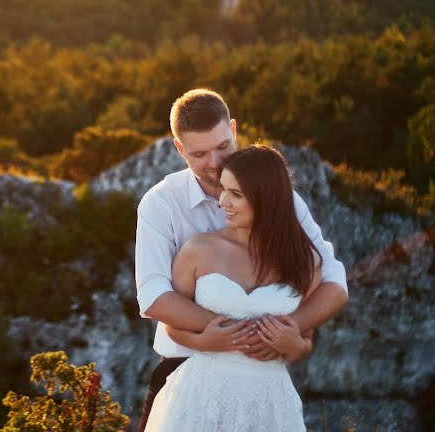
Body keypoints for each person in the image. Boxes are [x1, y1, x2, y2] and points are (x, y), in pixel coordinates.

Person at [135, 89, 348, 432]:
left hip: (263, 392)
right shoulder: (160, 204)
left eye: (222, 147)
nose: (215, 162)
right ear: (179, 150)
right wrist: (220, 336)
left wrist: (291, 334)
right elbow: (155, 296)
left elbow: (334, 282)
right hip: (184, 371)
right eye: (199, 154)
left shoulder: (281, 200)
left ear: (233, 130)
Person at [143, 144, 320, 431]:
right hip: (199, 396)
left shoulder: (306, 261)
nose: (223, 201)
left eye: (235, 194)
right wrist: (204, 342)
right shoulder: (199, 249)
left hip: (268, 404)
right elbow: (171, 325)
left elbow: (306, 340)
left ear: (267, 198)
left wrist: (294, 346)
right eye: (223, 189)